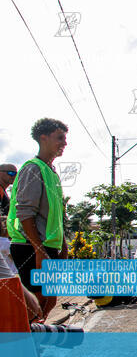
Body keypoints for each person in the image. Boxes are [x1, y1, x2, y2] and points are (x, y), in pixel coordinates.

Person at [7, 118, 68, 321]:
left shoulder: (51, 172)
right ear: (44, 138)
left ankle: (34, 340)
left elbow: (56, 217)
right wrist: (39, 251)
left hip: (46, 247)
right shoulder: (33, 169)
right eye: (60, 138)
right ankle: (27, 345)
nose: (64, 143)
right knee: (36, 302)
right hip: (30, 247)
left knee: (48, 301)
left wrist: (63, 246)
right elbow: (25, 213)